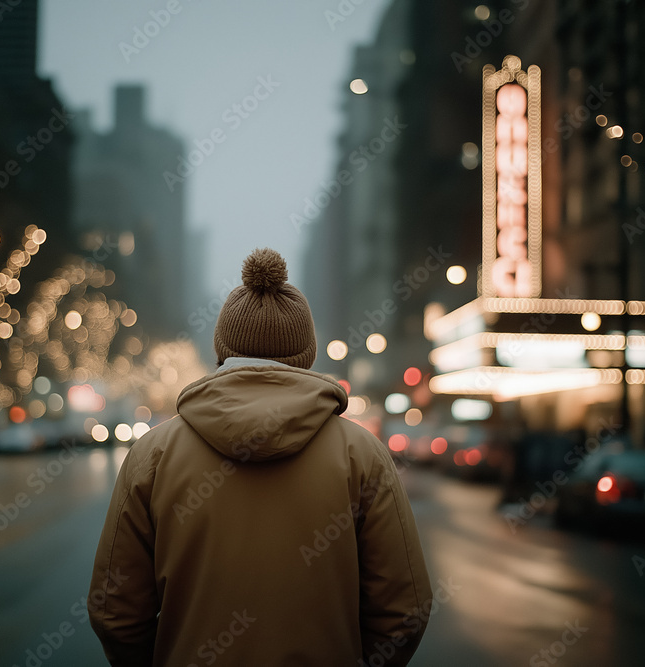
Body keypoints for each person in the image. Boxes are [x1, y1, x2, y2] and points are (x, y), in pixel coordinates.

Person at [89, 247, 433, 666]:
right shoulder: (363, 455)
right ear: (306, 354)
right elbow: (405, 611)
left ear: (221, 349)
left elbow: (115, 612)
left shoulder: (154, 455)